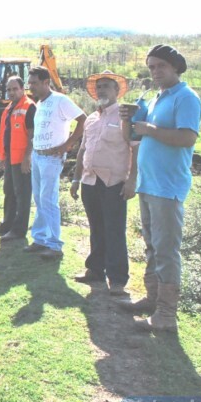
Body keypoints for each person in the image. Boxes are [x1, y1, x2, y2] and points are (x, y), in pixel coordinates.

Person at [118, 45, 201, 332]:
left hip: (168, 187)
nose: (155, 71)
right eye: (151, 67)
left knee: (166, 251)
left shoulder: (186, 98)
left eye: (160, 66)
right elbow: (131, 135)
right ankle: (153, 299)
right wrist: (127, 118)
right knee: (152, 246)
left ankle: (166, 316)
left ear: (176, 67)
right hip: (148, 183)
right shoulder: (155, 99)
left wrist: (150, 130)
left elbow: (188, 138)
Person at [70, 71, 137, 295]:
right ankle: (95, 270)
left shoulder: (125, 116)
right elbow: (82, 150)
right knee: (96, 227)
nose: (101, 90)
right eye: (98, 87)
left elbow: (135, 148)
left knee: (114, 229)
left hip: (114, 182)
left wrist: (132, 180)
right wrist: (76, 179)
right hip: (89, 181)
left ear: (117, 91)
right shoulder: (91, 118)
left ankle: (117, 279)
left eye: (107, 86)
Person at [23, 66, 86, 259]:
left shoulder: (60, 100)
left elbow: (82, 119)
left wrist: (68, 145)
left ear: (45, 82)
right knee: (39, 198)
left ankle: (54, 244)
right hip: (38, 155)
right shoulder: (40, 103)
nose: (30, 87)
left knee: (48, 199)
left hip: (51, 157)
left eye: (34, 83)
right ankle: (40, 238)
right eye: (29, 83)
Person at [0, 77, 36, 241]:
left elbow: (32, 135)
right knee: (9, 191)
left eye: (15, 89)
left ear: (23, 89)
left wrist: (27, 158)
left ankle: (18, 230)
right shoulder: (9, 108)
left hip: (21, 159)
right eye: (9, 90)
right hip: (10, 158)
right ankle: (7, 224)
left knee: (22, 194)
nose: (11, 92)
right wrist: (3, 156)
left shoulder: (29, 107)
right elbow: (4, 134)